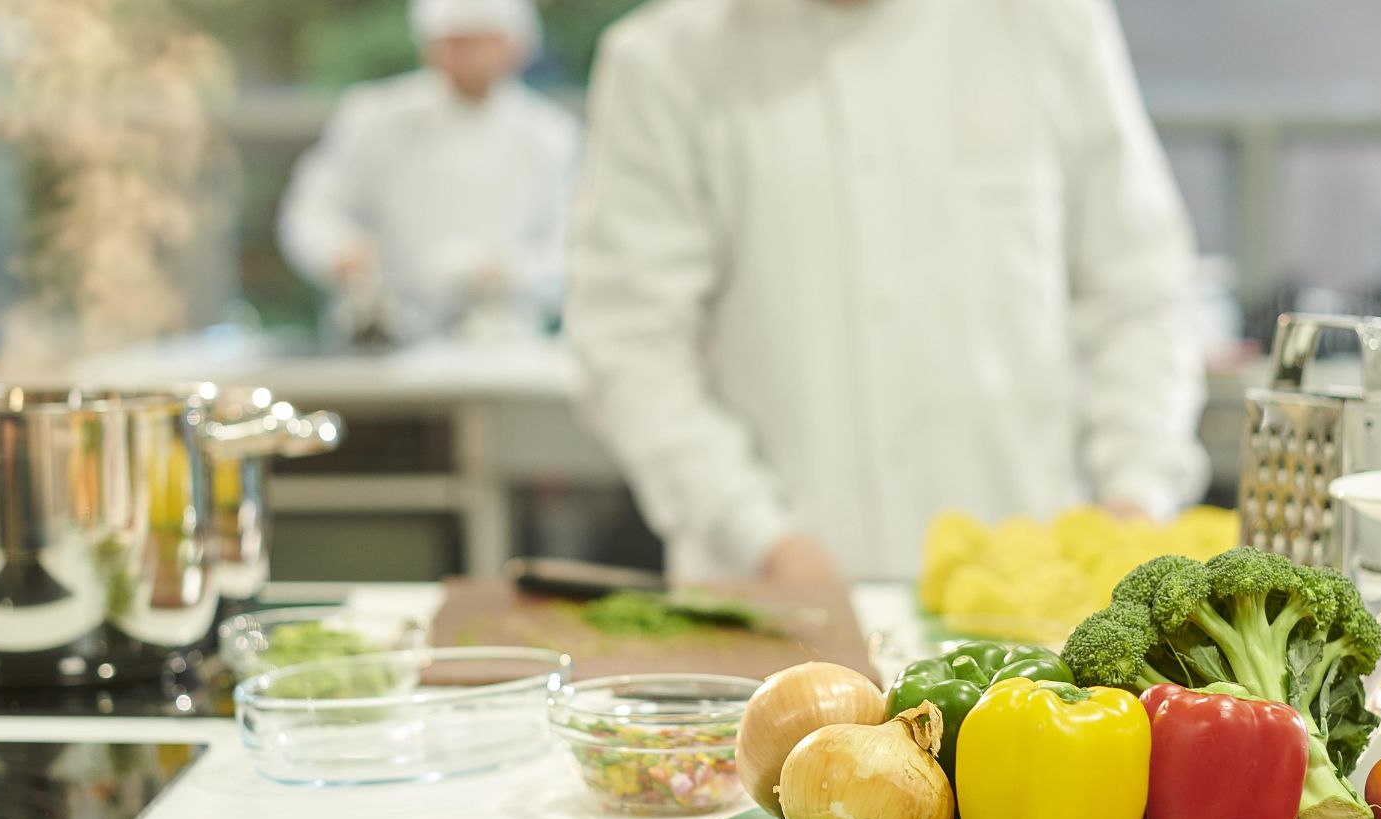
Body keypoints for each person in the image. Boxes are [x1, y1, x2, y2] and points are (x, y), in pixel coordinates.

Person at [567, 0, 1208, 584]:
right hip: (765, 610)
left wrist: (1136, 494)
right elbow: (629, 344)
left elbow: (1142, 291)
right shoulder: (664, 62)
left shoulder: (1047, 23)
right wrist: (762, 536)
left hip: (1026, 606)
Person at [279, 0, 580, 345]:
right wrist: (339, 252)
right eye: (452, 42)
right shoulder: (375, 117)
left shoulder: (551, 135)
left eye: (477, 41)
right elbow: (313, 209)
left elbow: (571, 248)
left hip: (506, 340)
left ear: (515, 46)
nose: (463, 55)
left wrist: (507, 274)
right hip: (386, 337)